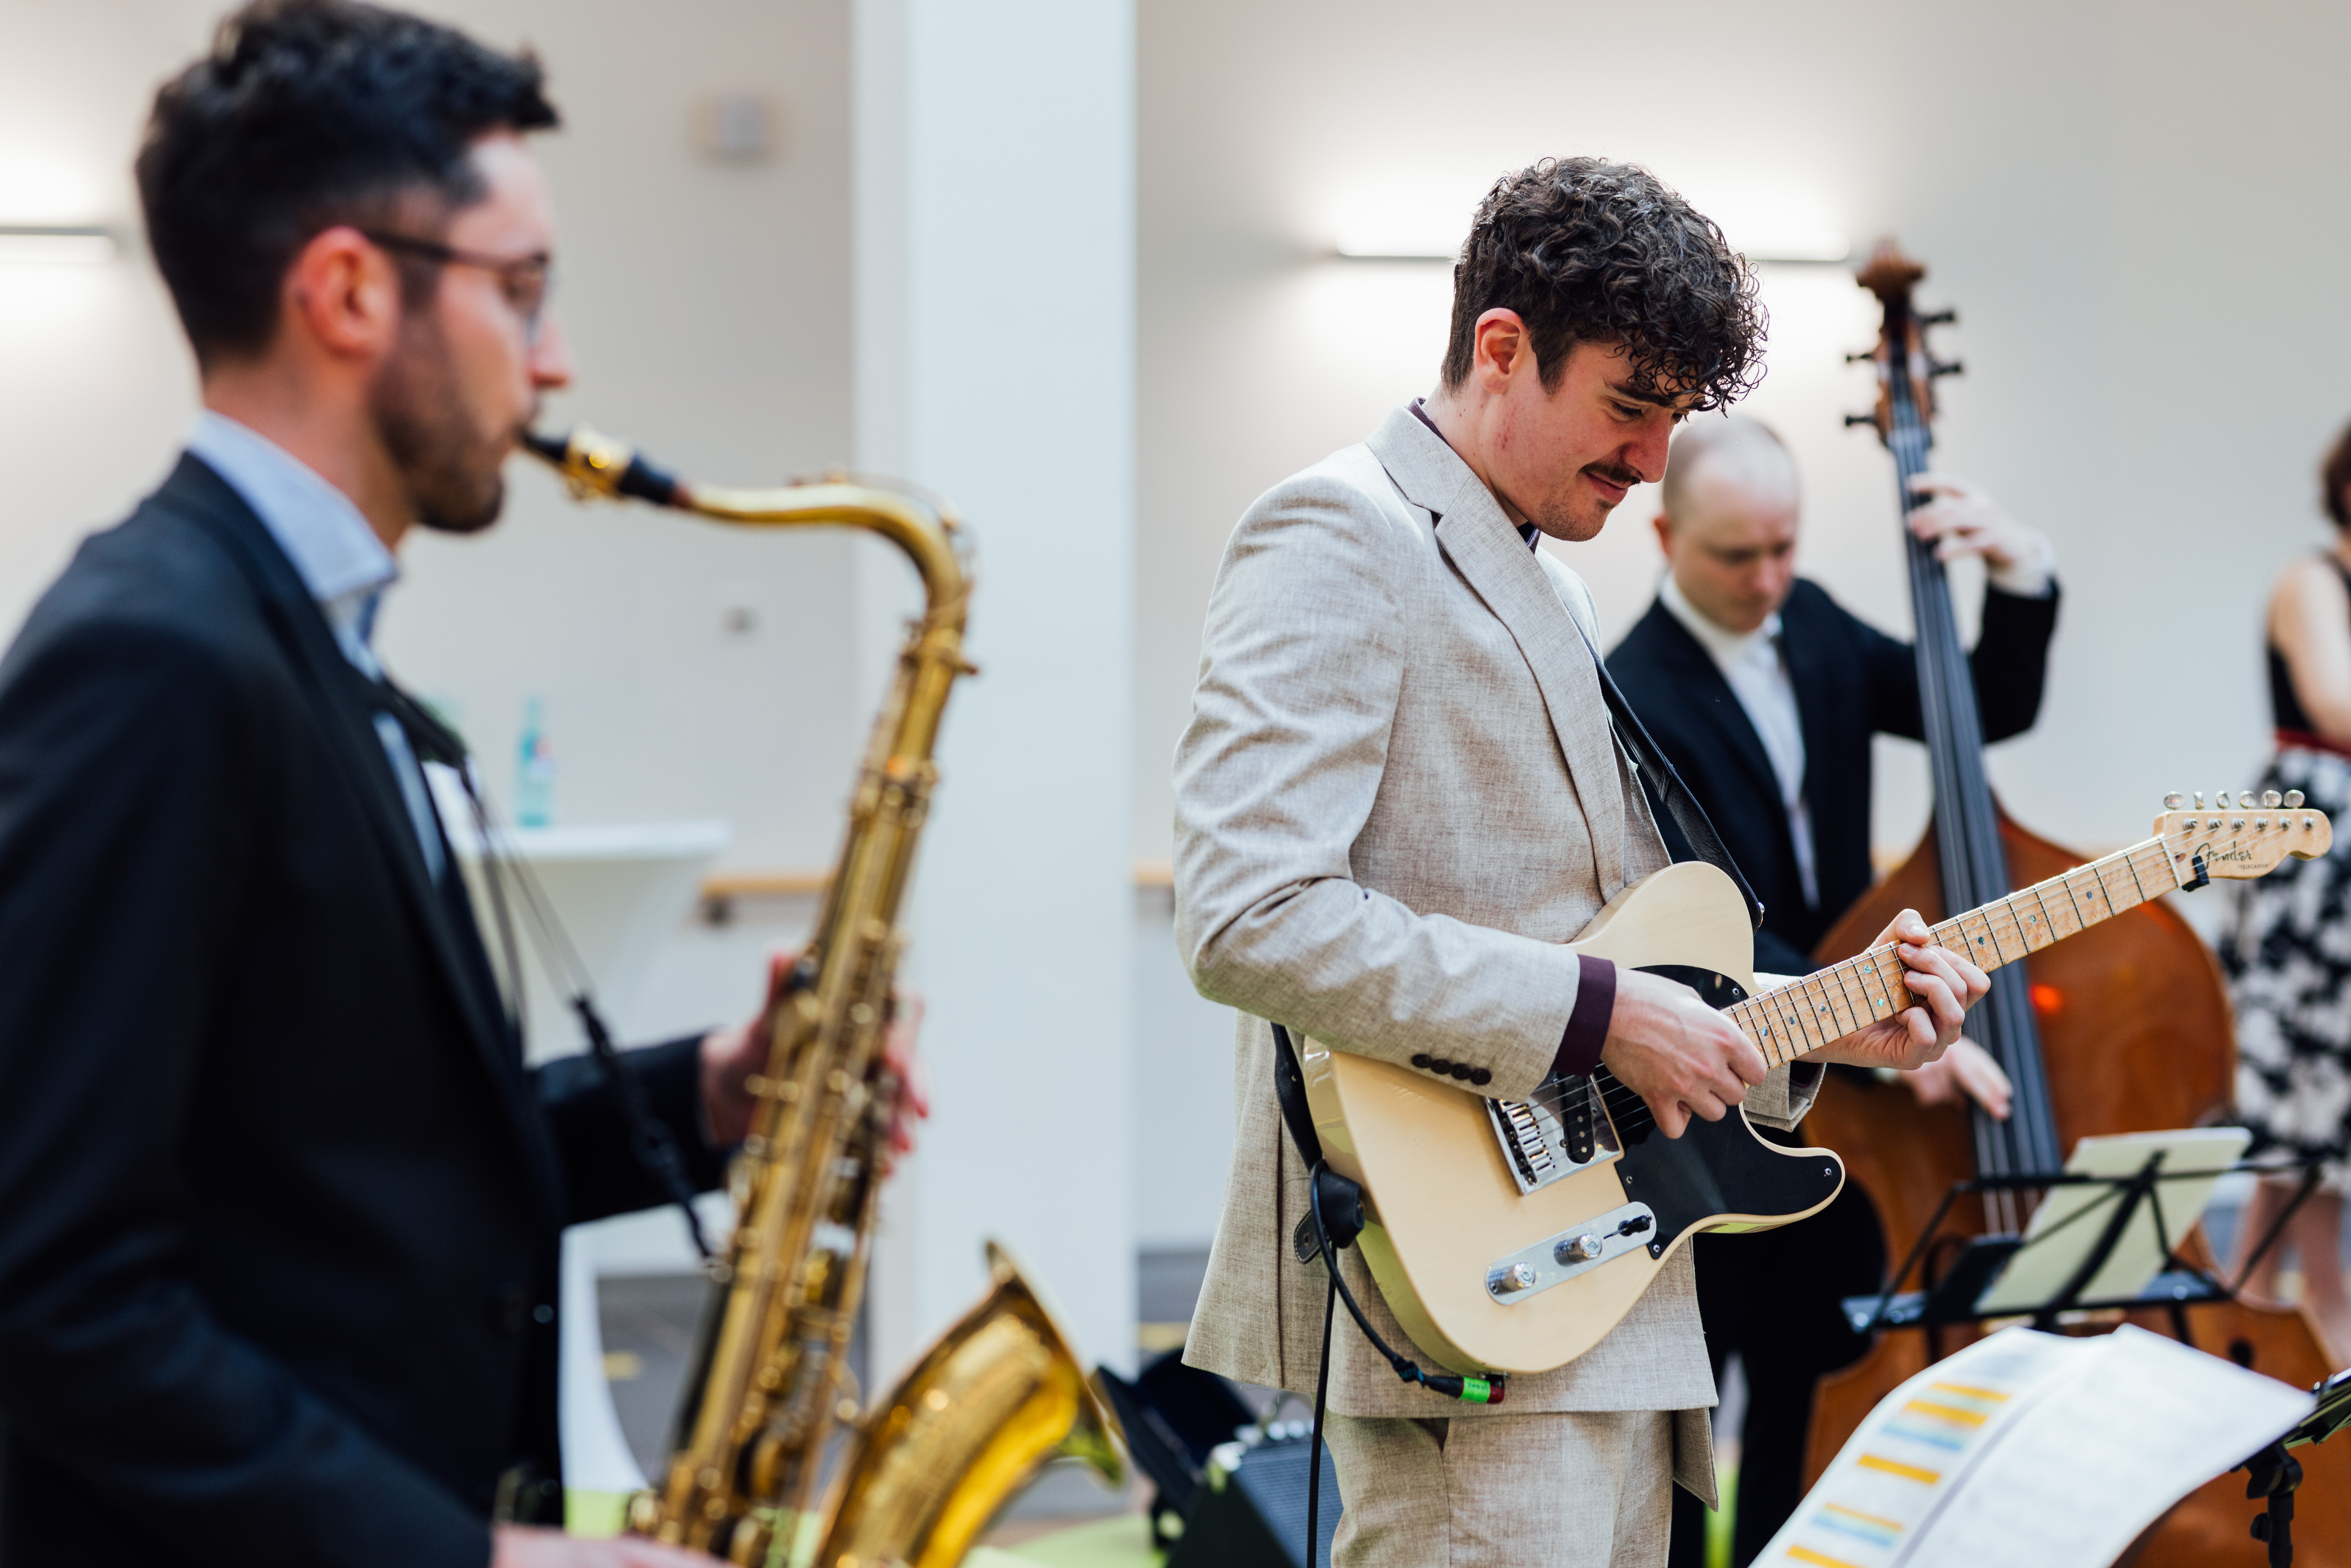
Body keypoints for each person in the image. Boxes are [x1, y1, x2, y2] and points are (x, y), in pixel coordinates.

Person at [0, 5, 920, 1565]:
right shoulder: (152, 656)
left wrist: (708, 1091)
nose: (555, 361)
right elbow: (50, 1281)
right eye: (521, 288)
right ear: (350, 290)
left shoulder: (298, 642)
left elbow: (343, 1172)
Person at [1170, 158, 1990, 1568]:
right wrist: (1604, 1011)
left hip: (1605, 1285)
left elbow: (1611, 951)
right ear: (1502, 348)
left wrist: (1828, 1025)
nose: (1654, 461)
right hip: (1463, 1303)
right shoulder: (1339, 530)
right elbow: (1249, 913)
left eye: (1675, 418)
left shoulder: (1547, 576)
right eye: (1630, 406)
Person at [1605, 414, 2056, 1567]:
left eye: (1785, 548)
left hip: (1852, 1119)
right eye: (1736, 556)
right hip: (1720, 1099)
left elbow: (1982, 709)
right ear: (1665, 537)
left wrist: (2019, 571)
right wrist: (1872, 1022)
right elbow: (1706, 932)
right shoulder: (1630, 690)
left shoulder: (1811, 623)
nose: (1768, 579)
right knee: (1696, 1414)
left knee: (1815, 1401)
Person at [2219, 417, 2351, 1365]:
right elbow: (2336, 705)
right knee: (2300, 1104)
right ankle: (2296, 1320)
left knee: (2312, 1122)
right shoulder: (2313, 581)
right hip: (2312, 867)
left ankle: (2267, 1318)